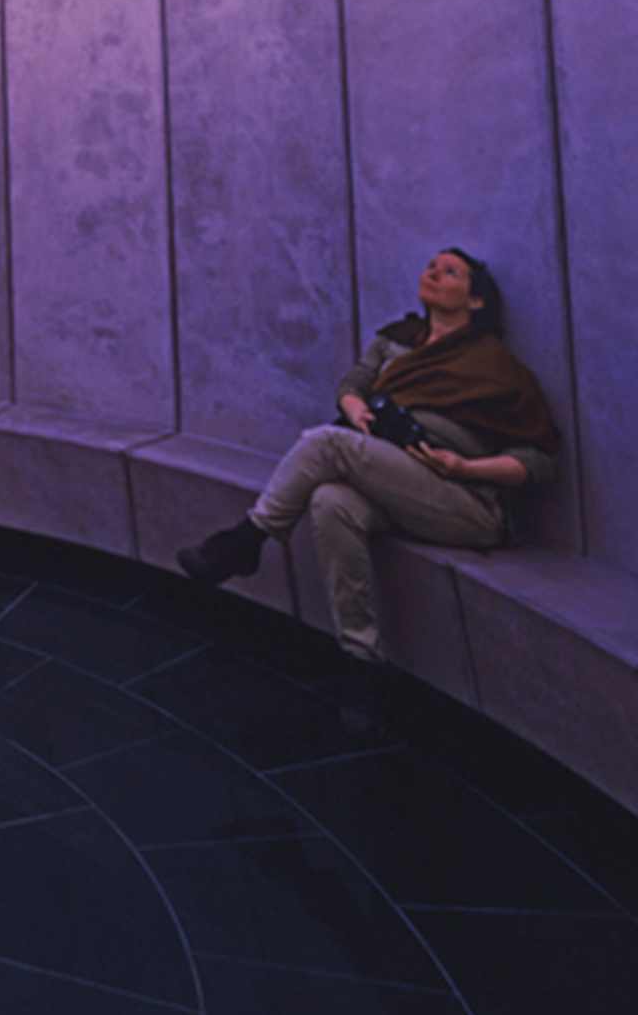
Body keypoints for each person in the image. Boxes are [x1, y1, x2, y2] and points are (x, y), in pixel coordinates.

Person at [177, 247, 560, 735]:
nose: (433, 273)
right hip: (394, 477)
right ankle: (364, 665)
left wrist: (464, 465)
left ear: (477, 302)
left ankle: (248, 538)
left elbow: (541, 460)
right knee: (329, 501)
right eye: (431, 266)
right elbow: (350, 385)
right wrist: (359, 412)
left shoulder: (495, 366)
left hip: (465, 500)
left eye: (450, 272)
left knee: (325, 443)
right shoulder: (395, 341)